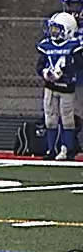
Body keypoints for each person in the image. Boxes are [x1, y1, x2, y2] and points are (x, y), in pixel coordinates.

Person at [37, 13, 80, 160]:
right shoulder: (46, 45)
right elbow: (40, 64)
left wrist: (63, 71)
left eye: (57, 29)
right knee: (50, 119)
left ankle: (68, 150)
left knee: (67, 119)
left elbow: (79, 64)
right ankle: (51, 150)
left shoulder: (74, 46)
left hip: (67, 88)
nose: (53, 32)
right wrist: (44, 72)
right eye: (53, 28)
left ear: (68, 29)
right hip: (50, 87)